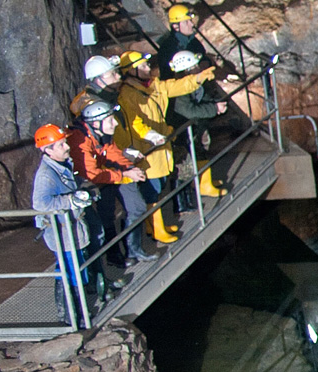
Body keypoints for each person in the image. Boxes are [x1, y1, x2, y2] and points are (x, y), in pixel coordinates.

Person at [115, 50, 218, 244]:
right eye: (143, 66)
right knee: (152, 189)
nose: (148, 68)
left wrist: (197, 79)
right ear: (132, 71)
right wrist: (150, 135)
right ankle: (155, 228)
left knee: (159, 185)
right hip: (146, 147)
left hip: (159, 143)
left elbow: (174, 87)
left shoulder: (152, 85)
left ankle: (153, 225)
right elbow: (134, 120)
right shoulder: (127, 94)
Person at [68, 98, 157, 267]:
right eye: (110, 120)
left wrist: (129, 168)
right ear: (95, 123)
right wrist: (124, 173)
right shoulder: (79, 141)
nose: (115, 124)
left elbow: (111, 151)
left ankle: (133, 249)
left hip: (107, 174)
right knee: (104, 218)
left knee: (136, 207)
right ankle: (113, 255)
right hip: (94, 181)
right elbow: (91, 174)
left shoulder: (100, 134)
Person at [31, 124, 95, 325]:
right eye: (60, 145)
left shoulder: (61, 164)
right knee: (74, 271)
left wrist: (84, 190)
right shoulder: (46, 175)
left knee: (67, 268)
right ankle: (76, 316)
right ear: (47, 150)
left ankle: (66, 314)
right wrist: (71, 200)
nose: (66, 146)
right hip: (62, 231)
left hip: (70, 228)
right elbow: (41, 204)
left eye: (64, 142)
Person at [166, 48, 229, 197]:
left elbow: (203, 99)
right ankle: (185, 200)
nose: (199, 69)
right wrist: (213, 109)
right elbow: (189, 110)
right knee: (184, 165)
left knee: (201, 152)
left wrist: (215, 105)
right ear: (187, 70)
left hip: (195, 127)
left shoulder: (195, 84)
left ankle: (204, 184)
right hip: (182, 129)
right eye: (195, 67)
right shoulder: (179, 88)